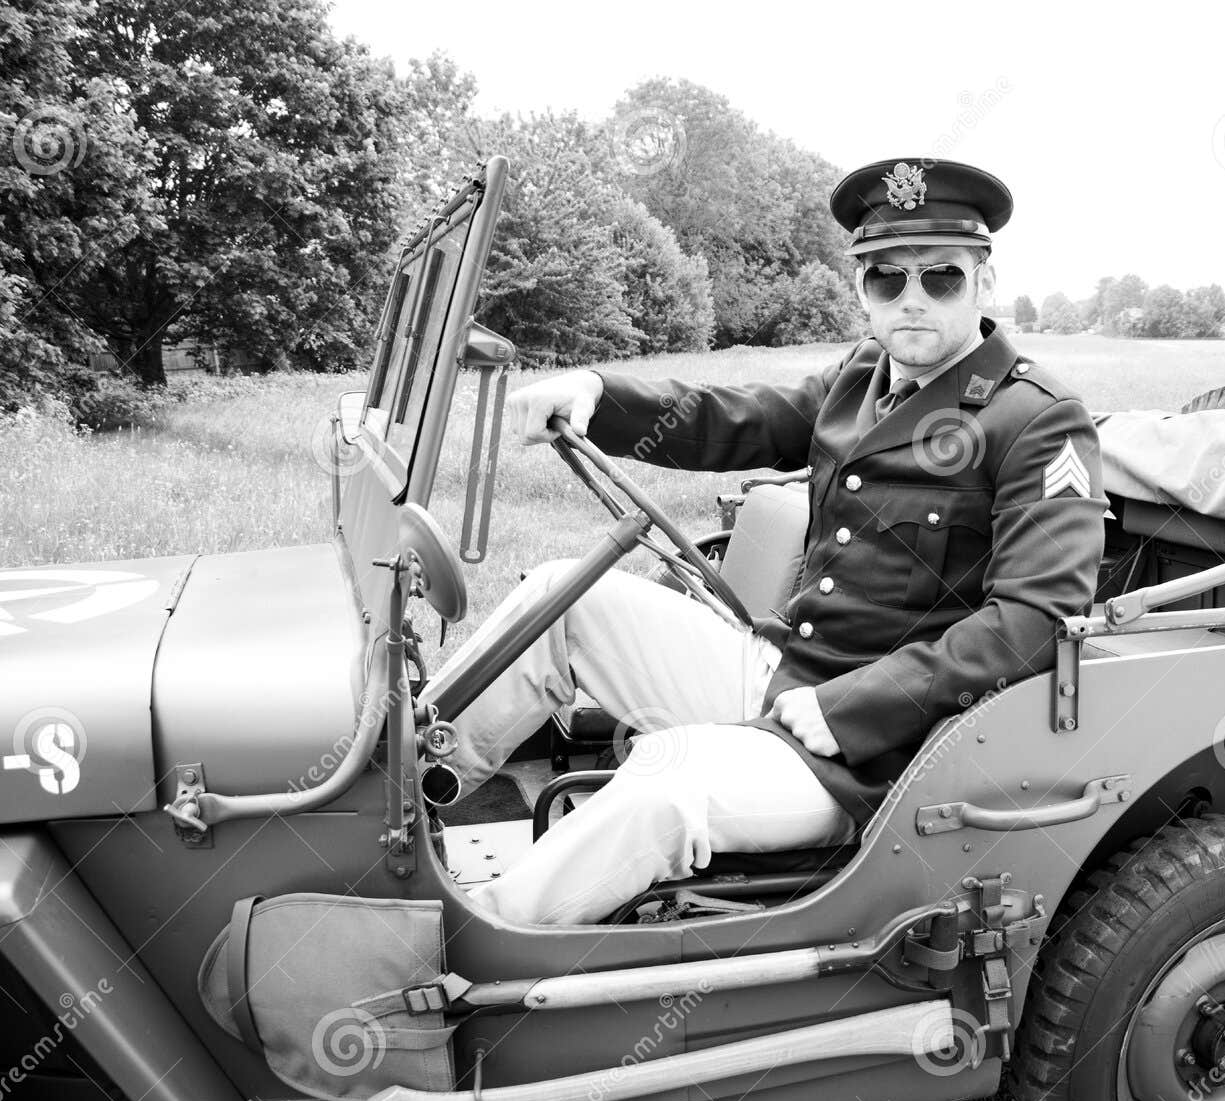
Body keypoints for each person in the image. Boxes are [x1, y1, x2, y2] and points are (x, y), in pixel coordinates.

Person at [422, 157, 1107, 927]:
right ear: (862, 290)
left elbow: (1033, 621)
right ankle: (400, 800)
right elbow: (738, 416)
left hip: (875, 751)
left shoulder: (1037, 419)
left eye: (940, 277)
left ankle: (462, 937)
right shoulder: (861, 378)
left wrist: (851, 707)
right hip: (781, 672)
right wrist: (598, 394)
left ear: (984, 282)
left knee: (661, 788)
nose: (911, 300)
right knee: (561, 597)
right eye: (886, 279)